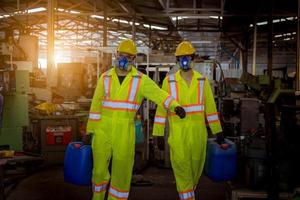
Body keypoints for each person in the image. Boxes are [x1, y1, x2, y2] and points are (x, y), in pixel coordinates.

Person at [86, 39, 186, 200]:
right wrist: (89, 131)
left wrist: (175, 106)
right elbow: (95, 107)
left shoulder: (141, 80)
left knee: (122, 172)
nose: (123, 59)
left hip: (124, 131)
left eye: (128, 56)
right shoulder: (104, 78)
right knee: (98, 171)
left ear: (133, 59)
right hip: (102, 130)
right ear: (116, 55)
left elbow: (159, 94)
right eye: (121, 55)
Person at [153, 41, 223, 200]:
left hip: (198, 136)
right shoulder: (169, 81)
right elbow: (161, 109)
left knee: (195, 172)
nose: (184, 61)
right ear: (177, 60)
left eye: (187, 57)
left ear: (193, 58)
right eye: (181, 58)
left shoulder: (202, 81)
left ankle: (189, 194)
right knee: (182, 171)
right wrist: (157, 134)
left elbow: (210, 108)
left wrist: (218, 131)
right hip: (178, 136)